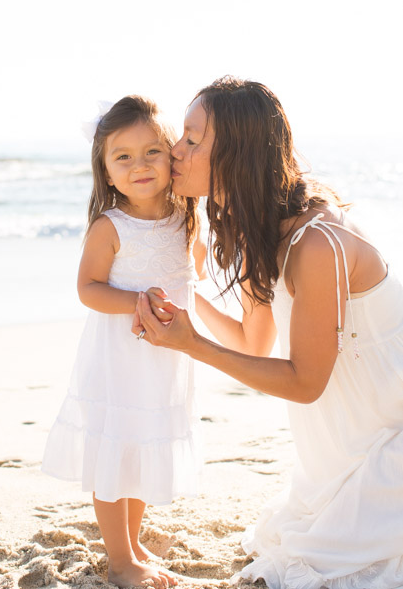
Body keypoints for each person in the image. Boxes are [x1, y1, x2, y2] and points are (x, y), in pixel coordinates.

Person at [133, 77, 403, 589]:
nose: (175, 151)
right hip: (346, 447)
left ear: (237, 155)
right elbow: (252, 343)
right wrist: (188, 294)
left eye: (192, 140)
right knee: (294, 542)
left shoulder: (319, 245)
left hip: (391, 439)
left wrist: (191, 344)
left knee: (320, 567)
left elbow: (305, 382)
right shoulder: (260, 226)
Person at [42, 95, 206, 589]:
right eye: (123, 157)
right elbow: (88, 289)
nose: (140, 165)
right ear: (106, 171)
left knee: (138, 450)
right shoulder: (110, 226)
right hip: (120, 358)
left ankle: (132, 548)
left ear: (171, 154)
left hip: (164, 360)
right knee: (116, 449)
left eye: (152, 152)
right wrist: (135, 300)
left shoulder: (186, 216)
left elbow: (193, 277)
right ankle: (119, 562)